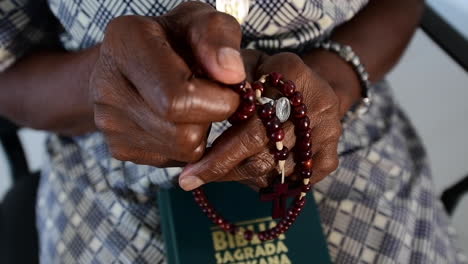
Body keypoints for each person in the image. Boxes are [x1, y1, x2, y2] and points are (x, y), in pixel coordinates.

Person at [0, 0, 465, 263]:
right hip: (110, 158)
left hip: (341, 135)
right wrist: (102, 79)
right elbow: (9, 74)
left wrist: (333, 82)